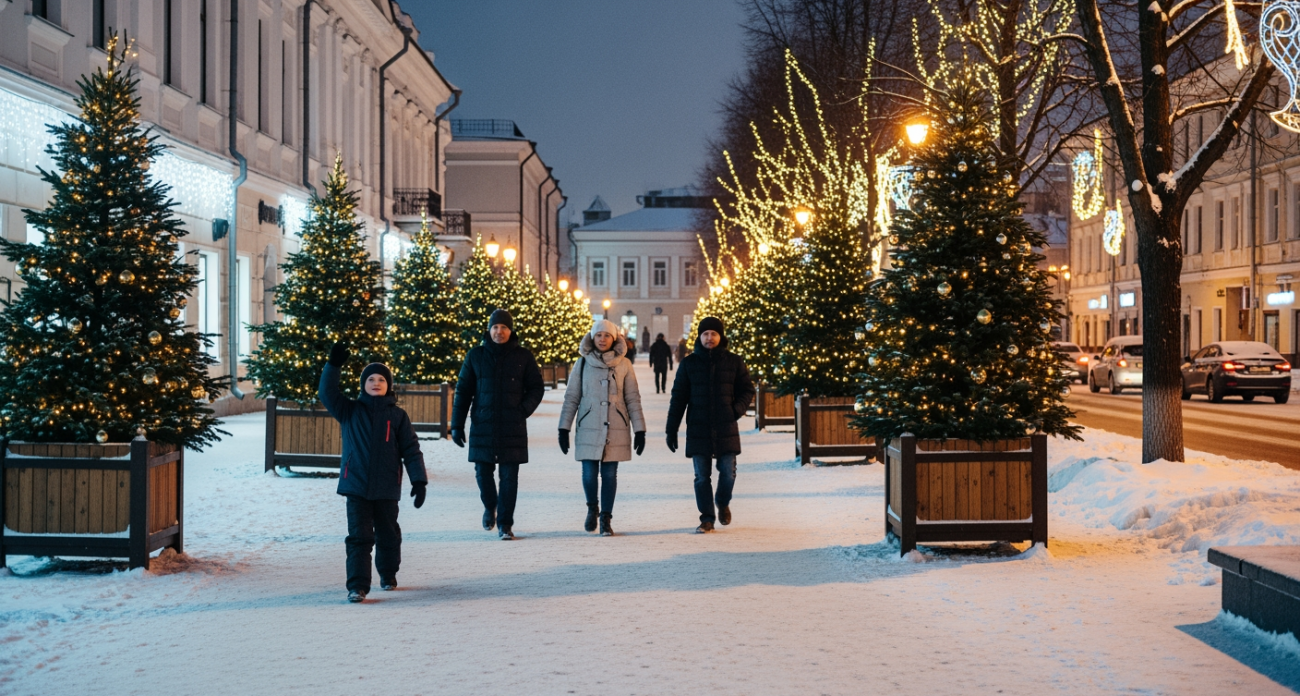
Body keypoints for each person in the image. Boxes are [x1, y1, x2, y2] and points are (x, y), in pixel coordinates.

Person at [319, 342, 428, 603]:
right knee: (359, 536)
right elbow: (327, 393)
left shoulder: (398, 416)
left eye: (381, 379)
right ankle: (357, 586)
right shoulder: (349, 411)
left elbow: (411, 449)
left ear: (389, 385)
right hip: (356, 485)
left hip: (387, 486)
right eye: (370, 378)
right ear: (362, 384)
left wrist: (419, 480)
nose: (376, 382)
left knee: (388, 533)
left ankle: (388, 573)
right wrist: (333, 365)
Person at [450, 308, 545, 540]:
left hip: (512, 426)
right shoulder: (476, 356)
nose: (499, 331)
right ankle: (490, 505)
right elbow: (463, 391)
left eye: (503, 327)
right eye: (495, 327)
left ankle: (505, 524)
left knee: (509, 477)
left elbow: (536, 387)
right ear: (489, 330)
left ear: (510, 330)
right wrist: (456, 424)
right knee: (482, 473)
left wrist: (522, 409)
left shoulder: (523, 356)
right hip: (483, 424)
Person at [665, 317, 755, 533]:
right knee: (701, 476)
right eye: (705, 334)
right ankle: (707, 518)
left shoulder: (734, 361)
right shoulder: (689, 364)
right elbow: (679, 398)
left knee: (728, 472)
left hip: (726, 426)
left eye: (714, 334)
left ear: (720, 336)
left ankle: (722, 502)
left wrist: (736, 409)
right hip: (698, 427)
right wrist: (671, 429)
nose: (709, 337)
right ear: (699, 337)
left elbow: (747, 390)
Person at [557, 319, 646, 536]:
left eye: (607, 335)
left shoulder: (624, 364)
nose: (603, 339)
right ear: (592, 338)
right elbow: (572, 397)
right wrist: (564, 428)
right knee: (589, 474)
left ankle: (606, 517)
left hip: (616, 425)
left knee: (609, 475)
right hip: (588, 423)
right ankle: (592, 507)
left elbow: (632, 398)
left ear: (614, 338)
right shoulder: (582, 363)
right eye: (599, 335)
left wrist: (640, 429)